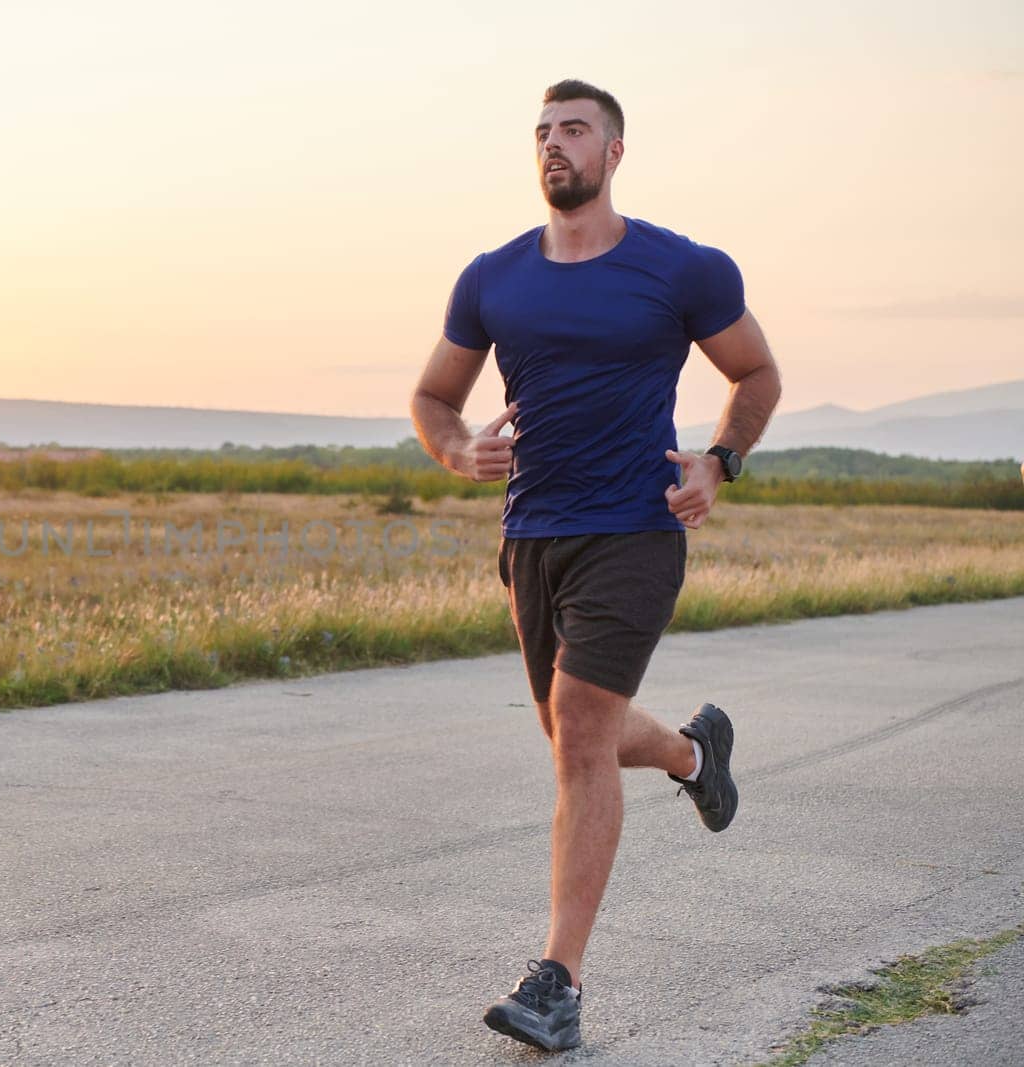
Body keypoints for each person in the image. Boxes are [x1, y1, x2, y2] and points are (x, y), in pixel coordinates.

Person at [410, 78, 781, 1052]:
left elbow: (755, 370)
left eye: (573, 129)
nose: (553, 144)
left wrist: (719, 459)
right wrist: (457, 450)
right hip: (533, 533)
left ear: (614, 151)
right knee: (575, 733)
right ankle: (695, 753)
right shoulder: (491, 276)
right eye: (541, 131)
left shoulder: (681, 267)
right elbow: (434, 396)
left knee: (577, 732)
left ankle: (557, 981)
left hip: (635, 526)